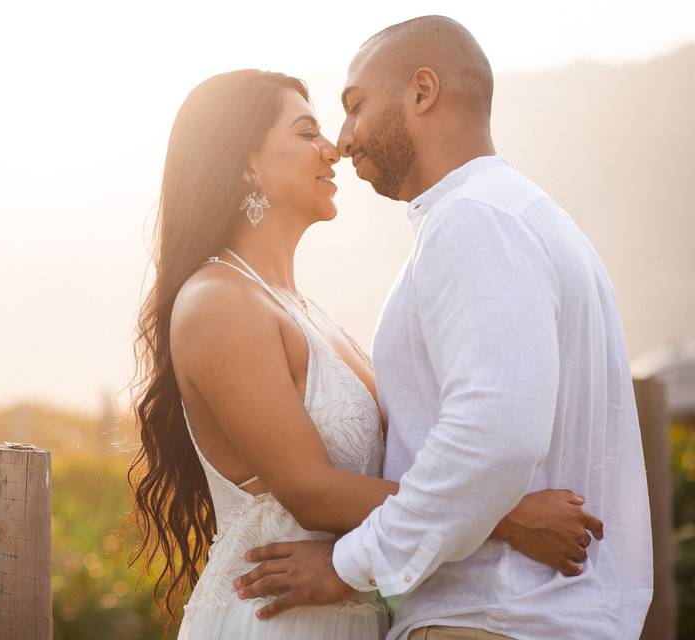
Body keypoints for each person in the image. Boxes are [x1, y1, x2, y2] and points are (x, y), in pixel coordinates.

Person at [129, 66, 603, 640]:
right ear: (245, 162)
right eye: (306, 134)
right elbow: (311, 491)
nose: (332, 150)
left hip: (352, 613)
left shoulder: (303, 309)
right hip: (276, 620)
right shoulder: (217, 301)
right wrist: (508, 518)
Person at [234, 16, 654, 640]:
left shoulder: (473, 222)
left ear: (422, 92)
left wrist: (349, 566)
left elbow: (494, 436)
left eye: (355, 107)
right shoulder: (516, 214)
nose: (344, 140)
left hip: (493, 618)